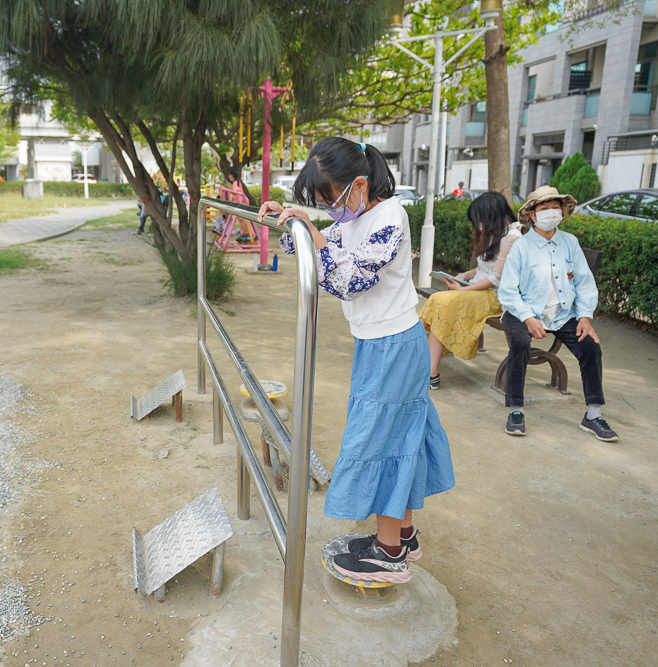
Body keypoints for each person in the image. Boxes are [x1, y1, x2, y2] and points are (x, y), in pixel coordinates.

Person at [258, 137, 454, 584]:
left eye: (332, 199)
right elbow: (313, 249)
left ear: (360, 185)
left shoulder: (390, 217)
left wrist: (317, 235)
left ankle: (388, 553)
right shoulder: (357, 217)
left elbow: (351, 279)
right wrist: (286, 223)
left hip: (394, 345)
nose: (330, 210)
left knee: (381, 441)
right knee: (398, 436)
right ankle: (402, 535)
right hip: (379, 344)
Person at [497, 185, 619, 441]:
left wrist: (585, 317)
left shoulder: (570, 243)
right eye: (544, 207)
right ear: (532, 214)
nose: (552, 211)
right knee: (520, 344)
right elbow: (508, 291)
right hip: (523, 311)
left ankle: (593, 414)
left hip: (562, 313)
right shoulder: (521, 247)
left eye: (555, 207)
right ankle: (516, 409)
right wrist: (528, 318)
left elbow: (585, 282)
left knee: (590, 347)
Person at [420, 192, 523, 389]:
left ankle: (405, 352)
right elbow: (486, 267)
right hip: (477, 291)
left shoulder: (513, 237)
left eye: (479, 220)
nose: (478, 225)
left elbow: (496, 278)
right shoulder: (498, 233)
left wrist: (463, 290)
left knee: (442, 301)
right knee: (440, 303)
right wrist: (464, 276)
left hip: (496, 297)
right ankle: (426, 369)